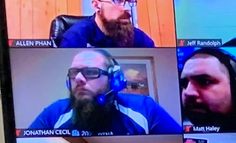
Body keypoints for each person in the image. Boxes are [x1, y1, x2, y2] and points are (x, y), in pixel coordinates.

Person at [25, 49, 183, 136]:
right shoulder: (54, 114)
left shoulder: (145, 109)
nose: (79, 78)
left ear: (114, 79)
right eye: (74, 73)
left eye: (91, 72)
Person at [56, 0, 156, 48]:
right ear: (96, 6)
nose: (127, 8)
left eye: (129, 2)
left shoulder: (137, 36)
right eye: (118, 0)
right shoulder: (76, 37)